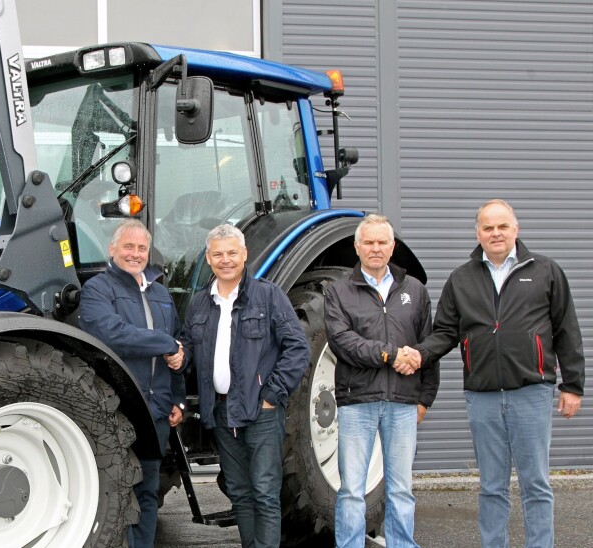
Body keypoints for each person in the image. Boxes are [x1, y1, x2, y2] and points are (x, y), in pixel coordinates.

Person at [412, 199, 585, 548]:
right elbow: (444, 332)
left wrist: (573, 385)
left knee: (536, 484)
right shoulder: (461, 279)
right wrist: (418, 354)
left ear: (516, 229)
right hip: (483, 396)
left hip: (531, 392)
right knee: (492, 486)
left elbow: (566, 329)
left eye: (502, 226)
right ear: (478, 233)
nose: (496, 233)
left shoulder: (545, 271)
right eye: (488, 227)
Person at [180, 224, 310, 547]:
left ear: (244, 254)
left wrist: (272, 395)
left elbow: (298, 348)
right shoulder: (199, 304)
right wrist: (178, 356)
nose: (225, 260)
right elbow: (189, 350)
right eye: (218, 254)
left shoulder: (268, 296)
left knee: (265, 492)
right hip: (222, 412)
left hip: (260, 412)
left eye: (232, 253)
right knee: (239, 492)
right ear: (208, 258)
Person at [324, 214, 440, 548]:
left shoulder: (415, 291)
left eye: (382, 242)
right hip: (357, 402)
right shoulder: (338, 292)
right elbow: (343, 342)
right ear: (357, 247)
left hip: (403, 403)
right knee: (352, 490)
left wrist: (425, 398)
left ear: (392, 247)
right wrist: (389, 354)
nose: (375, 248)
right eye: (369, 242)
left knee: (401, 488)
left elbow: (427, 346)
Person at [78, 219, 185, 548]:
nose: (135, 254)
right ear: (112, 249)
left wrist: (178, 399)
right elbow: (112, 334)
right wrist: (167, 344)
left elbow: (179, 347)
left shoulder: (161, 294)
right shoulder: (97, 289)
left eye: (141, 248)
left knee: (148, 491)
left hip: (157, 411)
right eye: (128, 246)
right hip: (119, 408)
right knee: (117, 492)